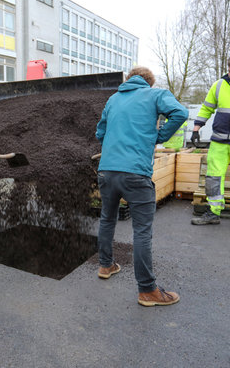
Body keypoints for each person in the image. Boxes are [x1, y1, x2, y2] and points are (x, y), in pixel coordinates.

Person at [95, 66, 188, 307]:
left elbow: (99, 132)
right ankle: (147, 290)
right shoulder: (156, 95)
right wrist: (159, 135)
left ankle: (106, 265)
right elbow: (180, 112)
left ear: (129, 79)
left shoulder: (113, 99)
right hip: (135, 174)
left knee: (107, 219)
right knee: (142, 231)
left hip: (106, 171)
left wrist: (116, 137)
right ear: (149, 82)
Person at [190, 58, 230, 225]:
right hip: (220, 141)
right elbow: (207, 107)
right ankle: (214, 212)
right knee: (214, 176)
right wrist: (196, 128)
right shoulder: (219, 85)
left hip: (220, 140)